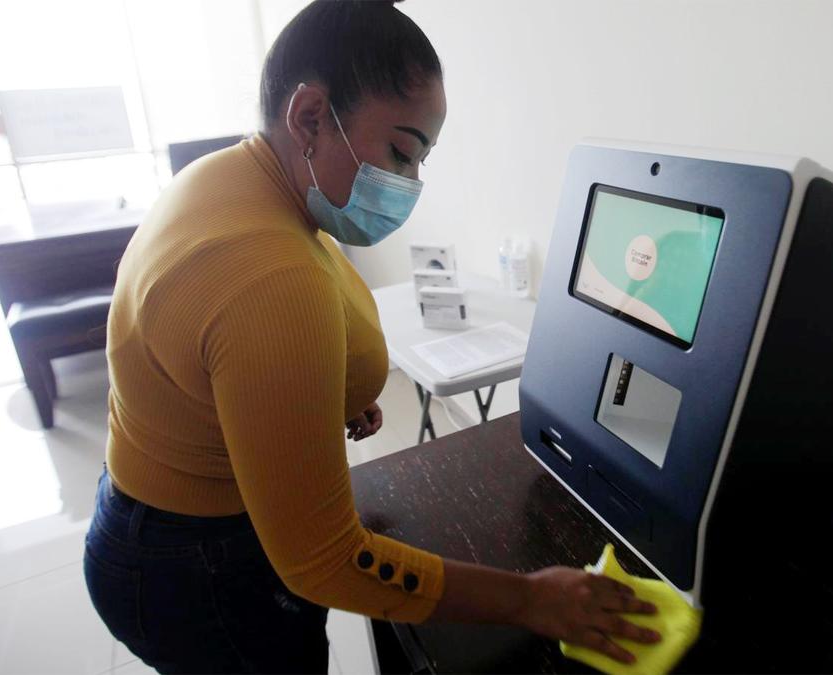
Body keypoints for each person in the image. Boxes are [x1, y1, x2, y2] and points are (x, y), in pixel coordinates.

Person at [83, 1, 661, 672]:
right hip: (199, 563)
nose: (409, 183)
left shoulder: (232, 179)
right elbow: (323, 560)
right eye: (402, 151)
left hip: (149, 513)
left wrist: (321, 393)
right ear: (308, 117)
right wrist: (532, 599)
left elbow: (217, 355)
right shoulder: (267, 280)